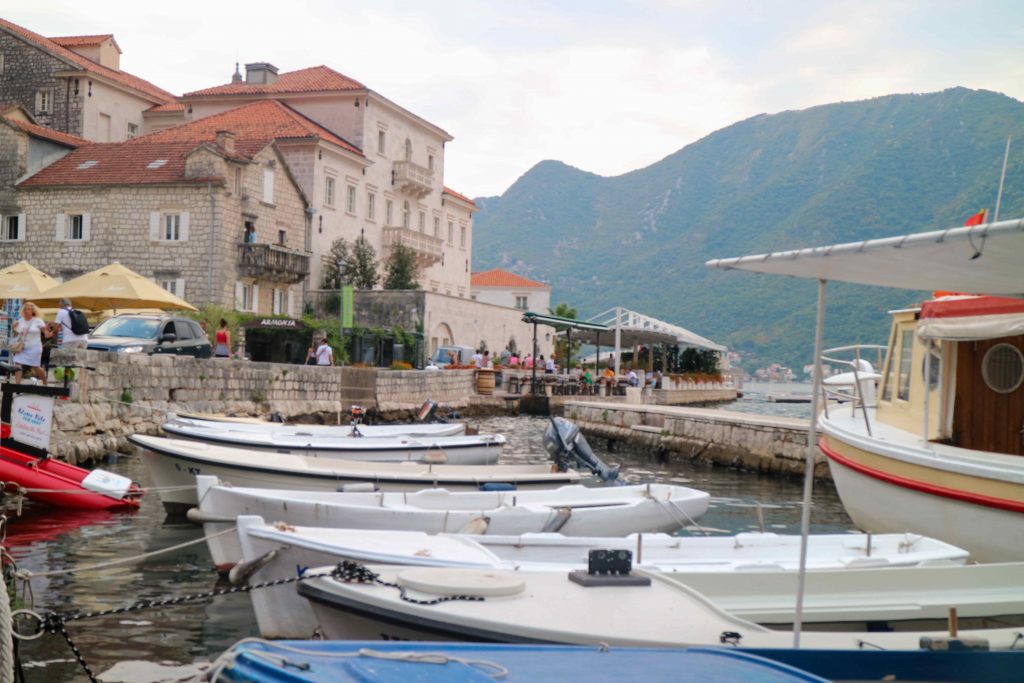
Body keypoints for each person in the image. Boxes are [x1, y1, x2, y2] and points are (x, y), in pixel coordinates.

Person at [12, 302, 52, 385]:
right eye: (25, 309)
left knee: (35, 366)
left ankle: (45, 382)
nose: (26, 310)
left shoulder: (38, 321)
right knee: (18, 363)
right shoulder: (21, 320)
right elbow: (16, 334)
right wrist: (14, 328)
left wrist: (49, 332)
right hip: (23, 347)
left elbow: (46, 334)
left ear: (33, 311)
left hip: (35, 347)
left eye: (29, 309)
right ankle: (17, 385)